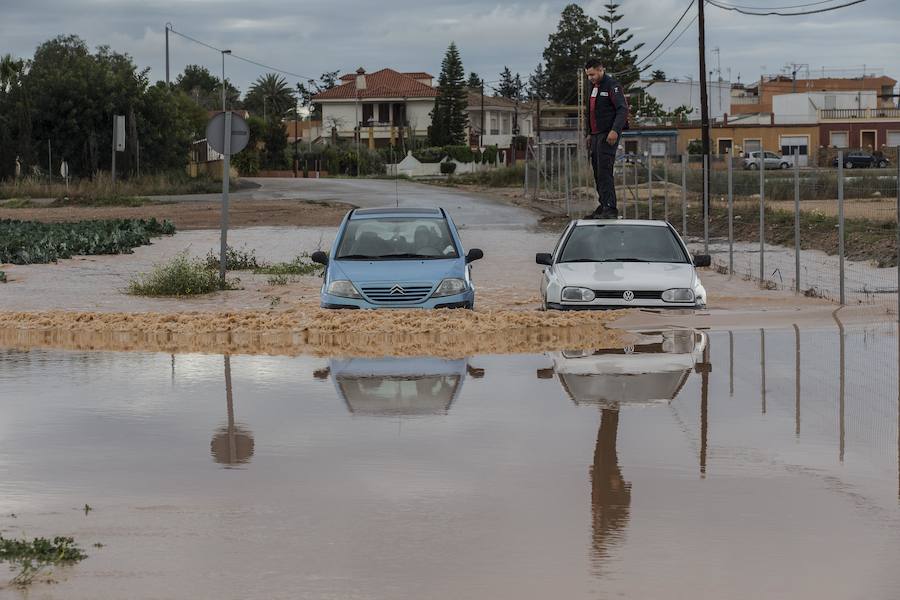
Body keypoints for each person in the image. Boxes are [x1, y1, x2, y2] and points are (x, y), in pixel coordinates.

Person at [583, 58, 628, 220]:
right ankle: (603, 204)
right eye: (588, 75)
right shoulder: (593, 87)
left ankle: (610, 207)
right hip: (596, 135)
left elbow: (622, 109)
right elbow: (590, 112)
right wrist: (589, 133)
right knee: (597, 171)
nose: (590, 78)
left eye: (593, 74)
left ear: (601, 70)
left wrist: (615, 130)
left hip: (607, 135)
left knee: (604, 170)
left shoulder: (612, 85)